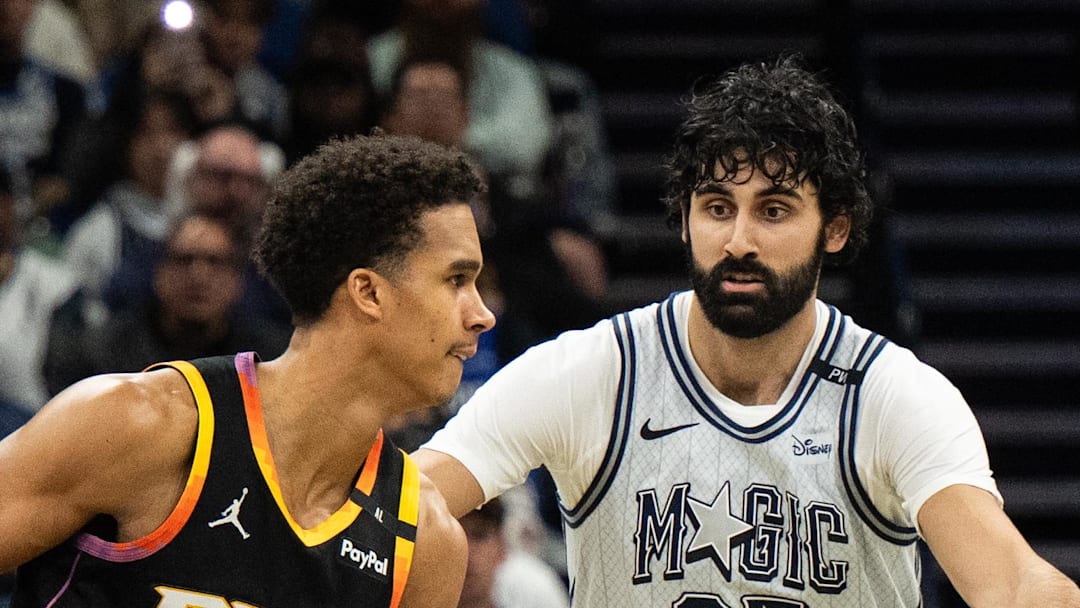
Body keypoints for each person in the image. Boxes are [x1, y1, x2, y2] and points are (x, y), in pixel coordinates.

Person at [412, 57, 1080, 607]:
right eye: (717, 207)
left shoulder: (892, 394)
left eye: (775, 210)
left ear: (836, 229)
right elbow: (405, 509)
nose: (738, 240)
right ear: (684, 222)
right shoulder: (595, 372)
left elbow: (1013, 580)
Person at [0, 133, 495, 607]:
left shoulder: (425, 539)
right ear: (368, 292)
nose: (482, 315)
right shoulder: (137, 424)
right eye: (456, 279)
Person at [457, 495, 568, 608]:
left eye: (479, 535)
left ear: (501, 545)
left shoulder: (534, 587)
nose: (467, 550)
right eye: (455, 537)